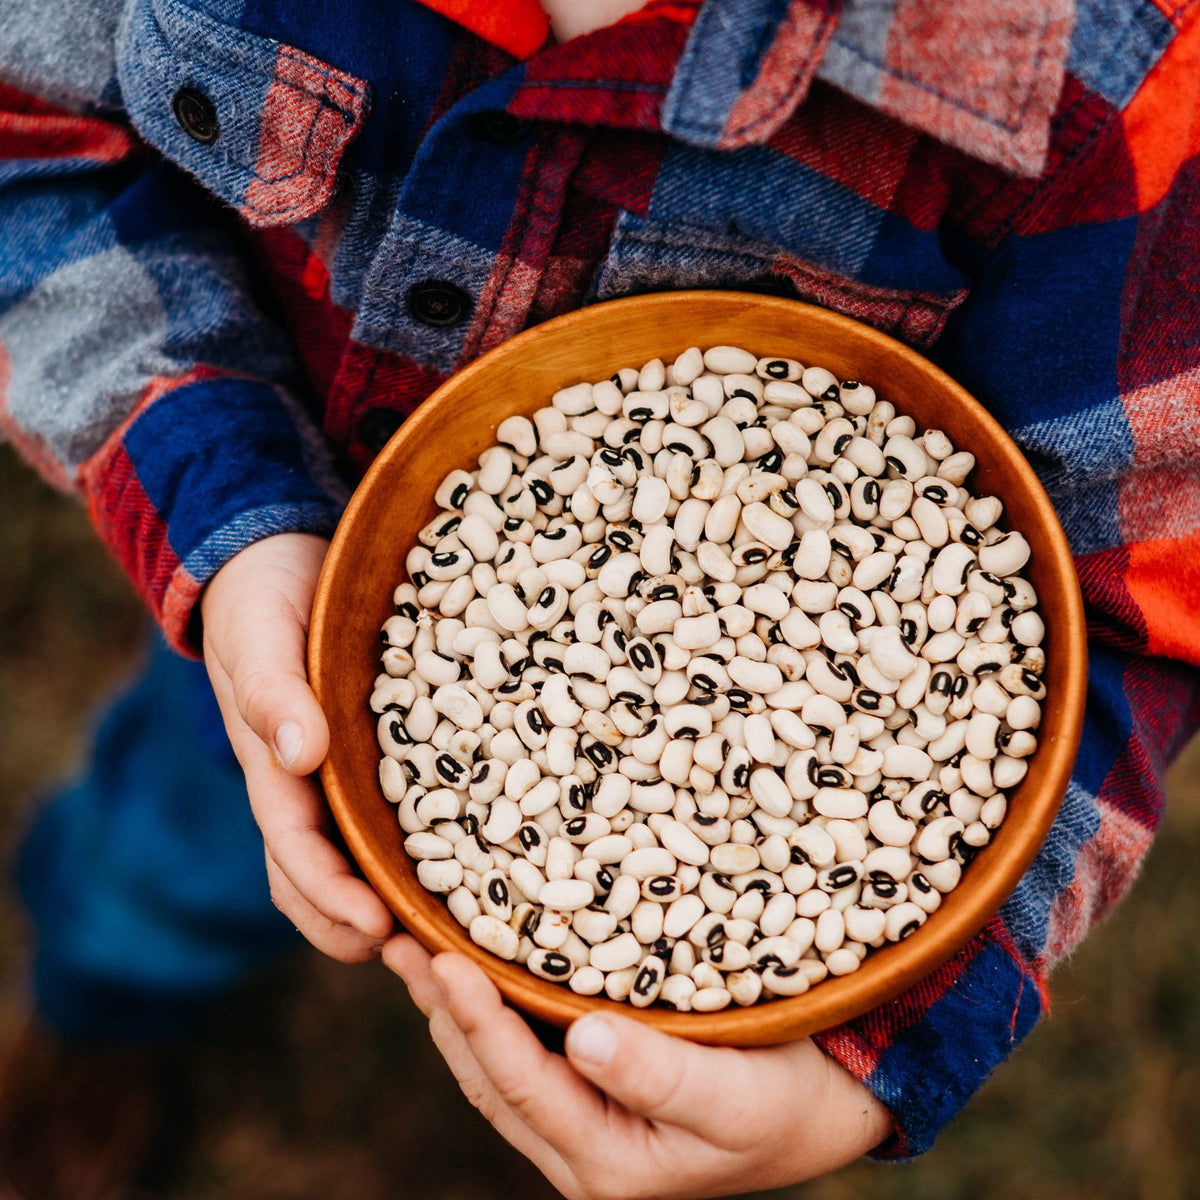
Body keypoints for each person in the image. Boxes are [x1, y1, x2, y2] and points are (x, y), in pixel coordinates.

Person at [1, 0, 1198, 1196]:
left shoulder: (1123, 89)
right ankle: (102, 1001)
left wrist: (867, 1055)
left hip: (667, 776)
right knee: (173, 840)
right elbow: (28, 143)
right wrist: (228, 507)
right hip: (273, 586)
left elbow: (1140, 590)